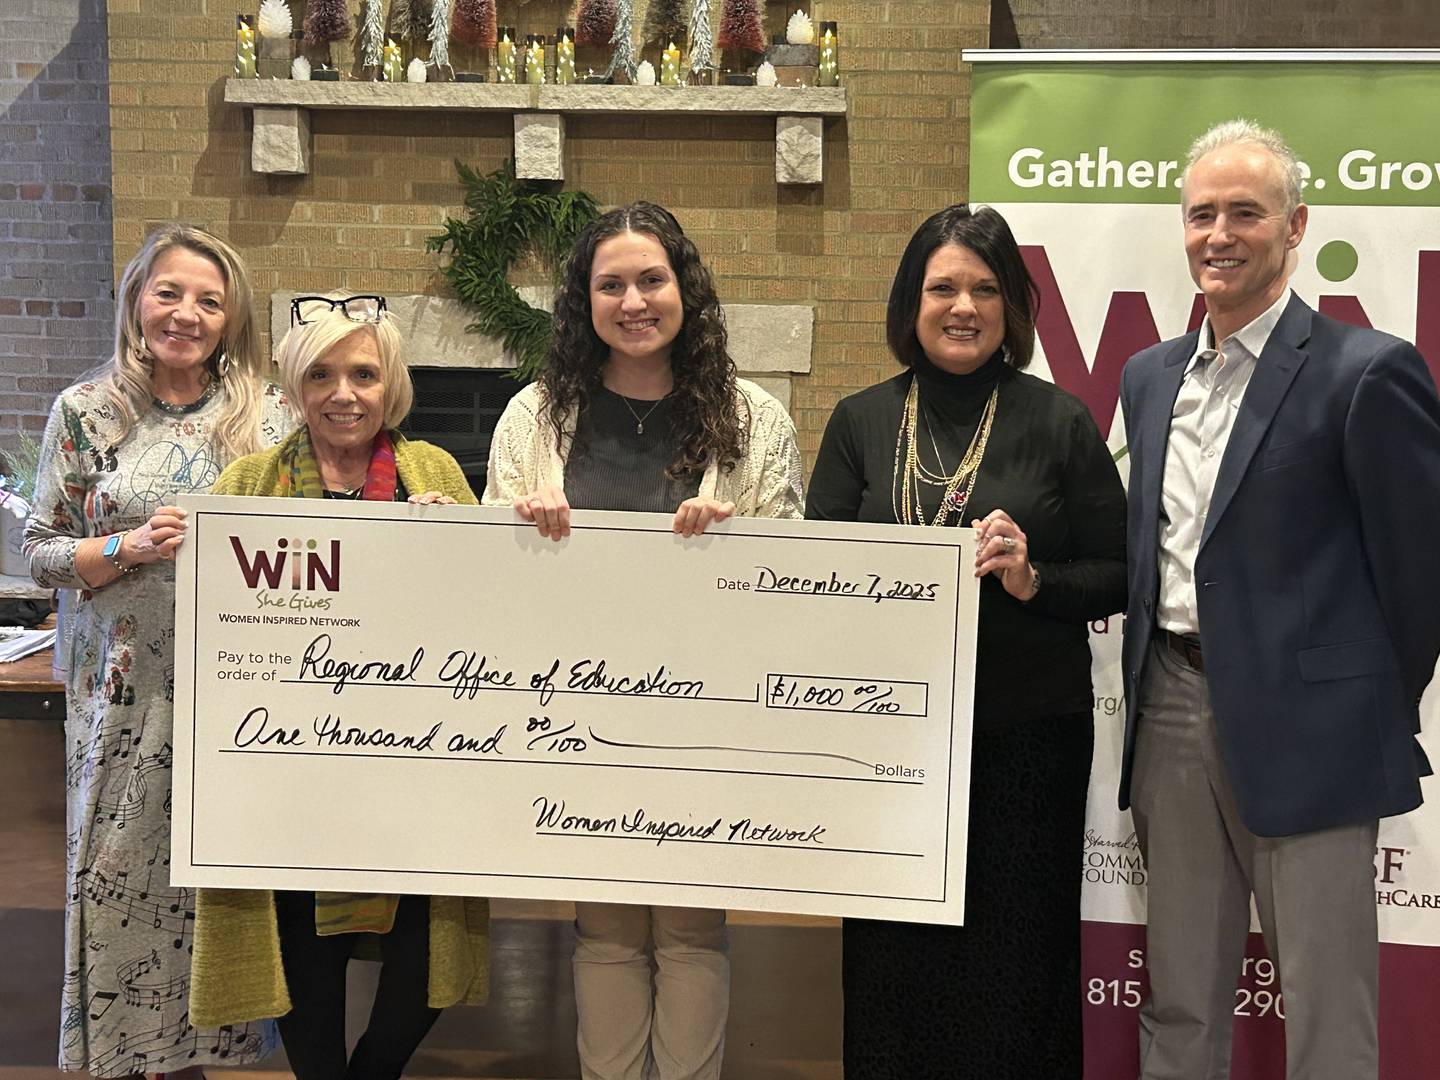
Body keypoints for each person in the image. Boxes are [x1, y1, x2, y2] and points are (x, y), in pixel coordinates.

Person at [1118, 119, 1440, 1080]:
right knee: (1179, 997)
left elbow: (1418, 576)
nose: (1219, 233)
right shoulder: (1147, 377)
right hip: (1169, 708)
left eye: (1245, 213)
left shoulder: (1367, 372)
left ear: (1296, 227)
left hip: (1316, 729)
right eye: (1201, 213)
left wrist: (1356, 705)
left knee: (1326, 1008)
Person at [484, 201, 804, 1080]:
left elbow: (796, 576)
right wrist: (520, 532)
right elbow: (480, 583)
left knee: (695, 929)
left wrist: (739, 539)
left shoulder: (755, 419)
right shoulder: (532, 418)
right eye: (610, 283)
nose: (633, 300)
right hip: (576, 717)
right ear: (582, 300)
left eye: (651, 279)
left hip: (709, 719)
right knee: (610, 929)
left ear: (685, 290)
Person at [806, 203, 1127, 1079]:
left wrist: (1034, 579)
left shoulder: (1060, 421)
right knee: (891, 959)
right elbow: (810, 575)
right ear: (910, 302)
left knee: (1018, 954)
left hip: (1027, 738)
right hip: (887, 740)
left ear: (1013, 309)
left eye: (985, 288)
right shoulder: (860, 420)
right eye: (942, 286)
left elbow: (1121, 570)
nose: (963, 306)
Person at [187, 298, 490, 1080]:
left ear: (391, 387)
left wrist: (455, 544)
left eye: (363, 373)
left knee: (422, 961)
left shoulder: (438, 475)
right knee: (300, 959)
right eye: (320, 374)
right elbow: (219, 630)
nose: (342, 392)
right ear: (293, 387)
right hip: (289, 774)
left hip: (417, 768)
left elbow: (491, 628)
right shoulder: (248, 485)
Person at [24, 223, 290, 1076]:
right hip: (121, 691)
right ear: (138, 298)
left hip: (234, 689)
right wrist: (128, 548)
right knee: (118, 875)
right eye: (169, 292)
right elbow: (39, 550)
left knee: (210, 885)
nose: (186, 313)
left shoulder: (267, 413)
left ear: (232, 317)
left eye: (209, 300)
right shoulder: (86, 411)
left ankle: (210, 1050)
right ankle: (130, 1055)